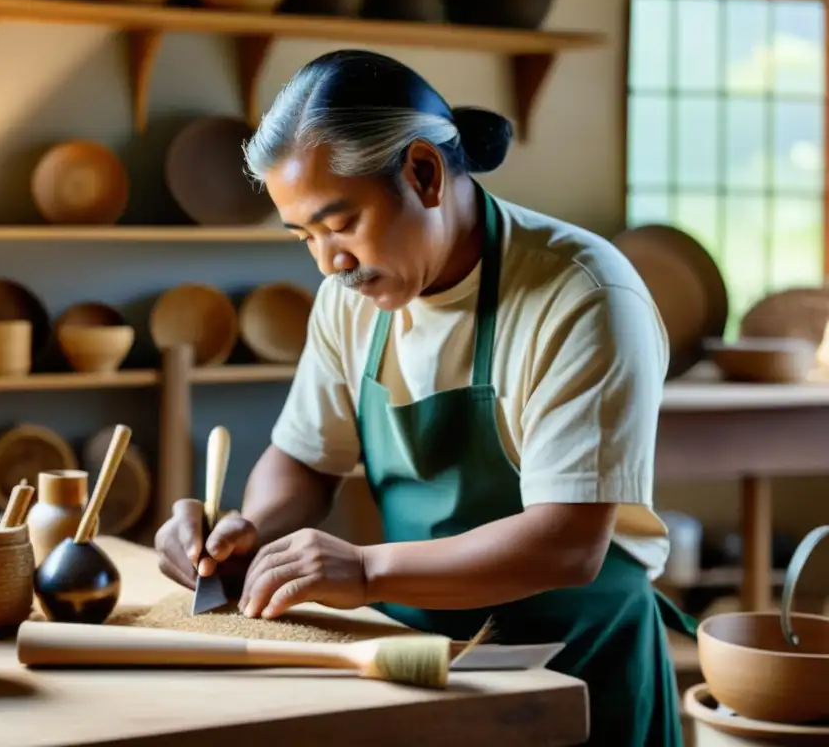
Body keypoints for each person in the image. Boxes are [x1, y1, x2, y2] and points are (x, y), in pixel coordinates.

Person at [155, 49, 696, 745]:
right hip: (423, 661)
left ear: (424, 173)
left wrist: (365, 567)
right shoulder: (346, 301)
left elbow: (566, 543)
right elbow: (305, 459)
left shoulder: (583, 295)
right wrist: (250, 534)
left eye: (341, 222)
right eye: (305, 236)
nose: (330, 263)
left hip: (580, 666)